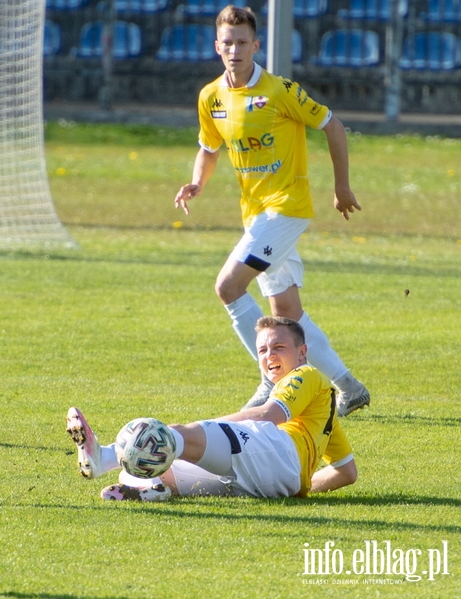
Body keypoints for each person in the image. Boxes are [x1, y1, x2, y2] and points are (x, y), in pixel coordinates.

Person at [172, 6, 369, 418]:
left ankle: (270, 379)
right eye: (227, 42)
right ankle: (349, 386)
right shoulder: (211, 97)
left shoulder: (279, 91)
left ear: (255, 45)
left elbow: (332, 125)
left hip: (286, 210)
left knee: (228, 287)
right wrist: (197, 182)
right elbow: (209, 149)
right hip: (256, 215)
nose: (234, 49)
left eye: (242, 42)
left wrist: (342, 186)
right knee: (287, 312)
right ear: (217, 47)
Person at [66, 316, 358, 502]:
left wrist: (207, 426)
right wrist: (299, 485)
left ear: (302, 352)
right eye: (262, 350)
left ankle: (104, 457)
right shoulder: (323, 411)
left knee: (180, 435)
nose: (269, 355)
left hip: (277, 454)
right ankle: (151, 490)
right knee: (150, 468)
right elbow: (346, 473)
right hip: (274, 479)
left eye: (278, 346)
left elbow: (267, 415)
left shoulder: (306, 375)